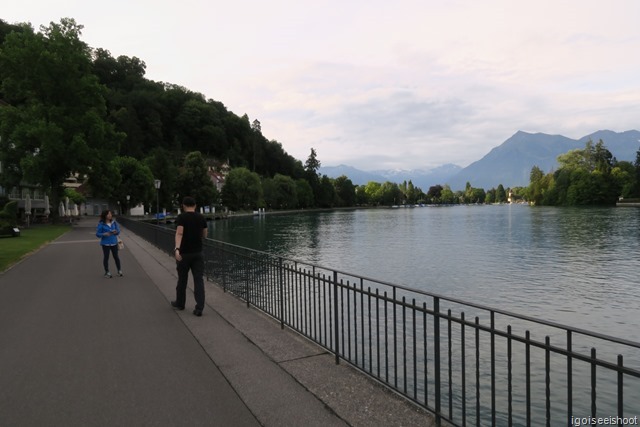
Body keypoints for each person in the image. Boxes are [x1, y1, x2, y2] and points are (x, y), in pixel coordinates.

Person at [171, 196, 208, 316]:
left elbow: (179, 233)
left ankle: (180, 304)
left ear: (183, 206)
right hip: (198, 253)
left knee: (182, 279)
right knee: (198, 280)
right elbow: (205, 234)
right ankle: (199, 308)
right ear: (195, 206)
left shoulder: (182, 217)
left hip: (184, 254)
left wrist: (177, 249)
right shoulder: (201, 217)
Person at [96, 209, 123, 278]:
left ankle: (119, 270)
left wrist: (115, 232)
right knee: (106, 258)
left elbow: (118, 231)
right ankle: (107, 272)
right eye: (108, 214)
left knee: (116, 257)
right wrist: (104, 234)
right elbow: (98, 234)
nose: (110, 215)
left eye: (111, 214)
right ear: (105, 215)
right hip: (105, 244)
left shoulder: (114, 222)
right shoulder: (101, 224)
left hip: (114, 242)